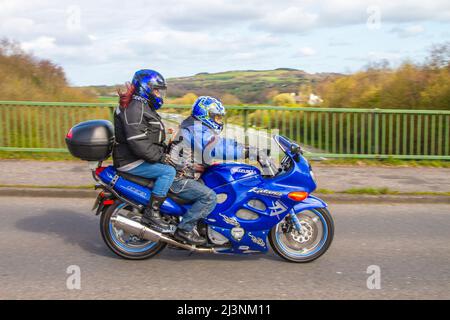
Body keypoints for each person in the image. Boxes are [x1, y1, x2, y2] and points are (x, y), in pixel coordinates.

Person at [166, 96, 266, 245]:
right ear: (206, 114)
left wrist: (245, 147)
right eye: (217, 117)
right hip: (179, 178)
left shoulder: (197, 127)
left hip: (185, 174)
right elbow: (216, 148)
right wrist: (249, 153)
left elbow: (222, 143)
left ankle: (205, 226)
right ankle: (184, 230)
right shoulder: (195, 129)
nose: (219, 121)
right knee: (209, 197)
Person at [113, 69, 176, 230]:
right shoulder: (136, 109)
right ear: (145, 88)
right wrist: (162, 158)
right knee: (168, 172)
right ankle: (152, 214)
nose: (159, 95)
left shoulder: (141, 106)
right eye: (156, 90)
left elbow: (146, 137)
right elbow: (138, 144)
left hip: (135, 157)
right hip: (130, 160)